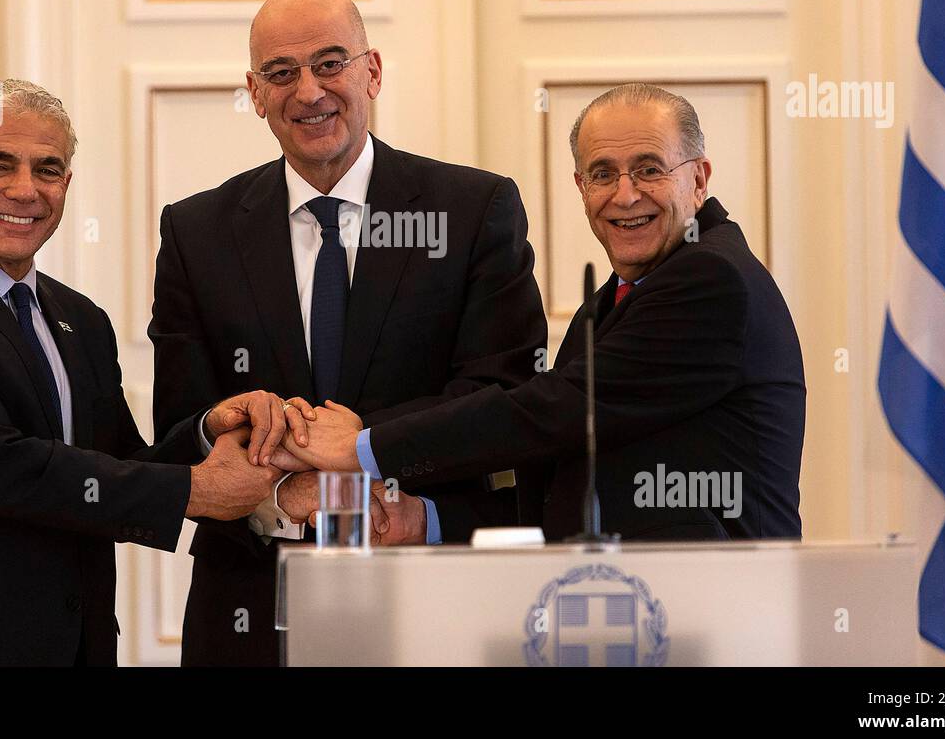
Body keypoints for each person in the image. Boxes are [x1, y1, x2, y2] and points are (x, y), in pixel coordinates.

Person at [151, 0, 547, 666]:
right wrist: (276, 485)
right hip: (246, 611)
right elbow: (180, 427)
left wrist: (364, 450)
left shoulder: (472, 210)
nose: (308, 91)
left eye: (330, 62)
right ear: (253, 92)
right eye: (281, 73)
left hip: (429, 603)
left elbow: (502, 399)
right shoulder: (197, 231)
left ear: (373, 71)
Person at [0, 80, 279, 666]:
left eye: (47, 170)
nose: (25, 190)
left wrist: (208, 432)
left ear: (65, 185)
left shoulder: (80, 320)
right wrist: (198, 491)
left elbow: (113, 467)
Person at [279, 83, 806, 542]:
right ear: (580, 188)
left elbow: (552, 410)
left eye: (649, 169)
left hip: (717, 617)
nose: (625, 195)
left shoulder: (713, 280)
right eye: (602, 174)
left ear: (699, 178)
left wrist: (362, 446)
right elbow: (561, 491)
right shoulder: (608, 306)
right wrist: (425, 520)